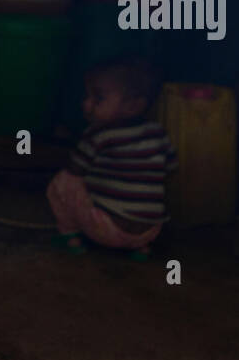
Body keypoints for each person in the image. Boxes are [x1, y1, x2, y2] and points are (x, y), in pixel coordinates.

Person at [46, 59, 177, 261]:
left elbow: (75, 171)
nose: (86, 104)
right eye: (87, 96)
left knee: (62, 181)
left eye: (97, 99)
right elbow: (170, 168)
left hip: (107, 230)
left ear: (133, 106)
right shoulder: (158, 133)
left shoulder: (98, 135)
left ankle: (70, 237)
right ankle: (140, 248)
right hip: (150, 231)